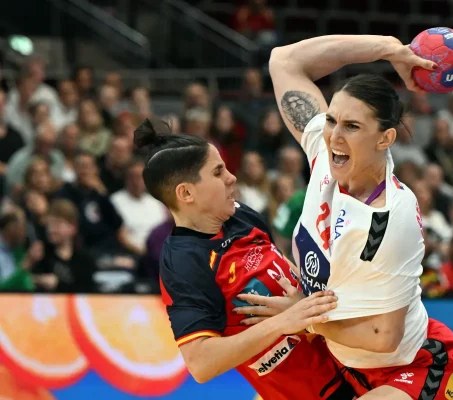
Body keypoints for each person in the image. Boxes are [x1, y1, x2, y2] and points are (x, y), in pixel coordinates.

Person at [237, 34, 453, 400]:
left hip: (406, 365)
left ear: (385, 139)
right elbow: (284, 61)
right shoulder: (325, 156)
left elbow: (385, 337)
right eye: (332, 120)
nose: (334, 136)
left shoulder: (389, 217)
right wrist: (388, 49)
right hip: (340, 359)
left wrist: (303, 318)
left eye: (352, 126)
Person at [133, 118, 355, 400]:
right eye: (218, 172)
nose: (231, 178)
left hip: (350, 357)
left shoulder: (240, 214)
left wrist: (304, 303)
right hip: (314, 391)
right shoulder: (183, 263)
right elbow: (201, 364)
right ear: (186, 193)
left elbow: (286, 268)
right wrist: (285, 321)